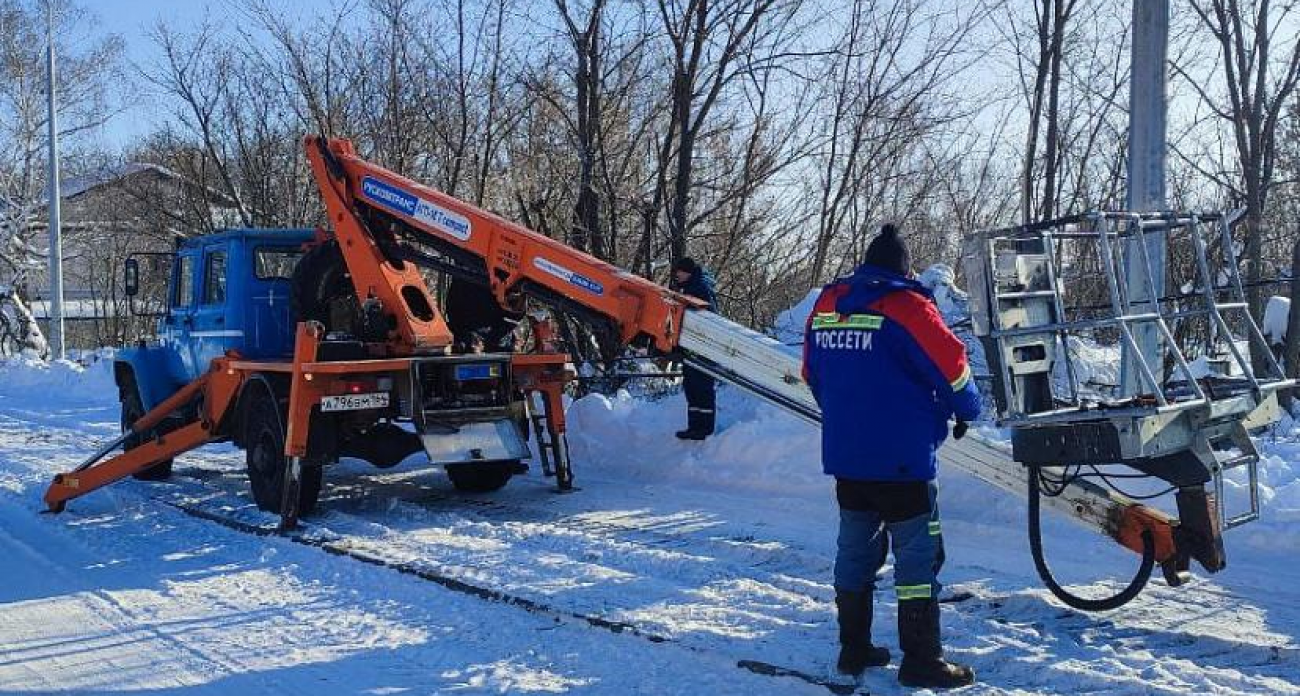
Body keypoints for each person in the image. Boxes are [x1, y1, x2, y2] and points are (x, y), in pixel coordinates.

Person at [802, 224, 981, 689]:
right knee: (918, 559)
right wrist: (966, 411)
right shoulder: (909, 307)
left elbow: (812, 373)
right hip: (904, 461)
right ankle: (922, 659)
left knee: (854, 551)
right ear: (902, 268)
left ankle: (853, 648)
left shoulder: (827, 304)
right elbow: (955, 369)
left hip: (847, 457)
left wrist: (847, 417)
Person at [671, 257, 718, 440]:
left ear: (688, 272)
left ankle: (704, 428)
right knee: (691, 387)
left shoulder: (700, 289)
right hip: (691, 348)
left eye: (680, 272)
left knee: (702, 387)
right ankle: (694, 426)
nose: (677, 275)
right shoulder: (689, 288)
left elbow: (708, 320)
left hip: (703, 349)